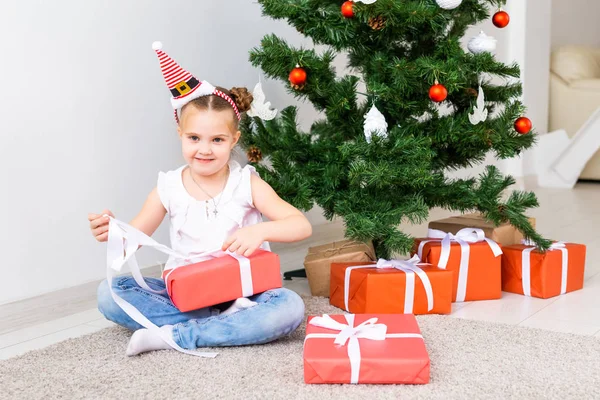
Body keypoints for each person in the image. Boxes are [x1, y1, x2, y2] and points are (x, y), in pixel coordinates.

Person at [88, 42, 312, 356]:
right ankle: (218, 325)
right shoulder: (167, 186)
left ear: (234, 139)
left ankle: (180, 334)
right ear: (179, 132)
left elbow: (300, 226)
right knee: (108, 293)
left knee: (288, 307)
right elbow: (134, 238)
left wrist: (260, 231)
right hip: (187, 294)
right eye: (194, 138)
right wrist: (113, 231)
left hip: (245, 293)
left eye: (217, 140)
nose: (204, 150)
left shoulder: (246, 182)